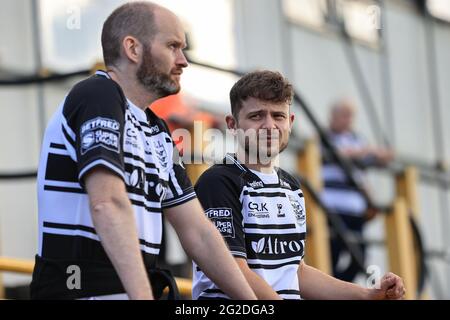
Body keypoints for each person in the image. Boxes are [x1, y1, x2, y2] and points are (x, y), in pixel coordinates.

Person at [30, 1, 256, 300]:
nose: (183, 60)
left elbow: (199, 233)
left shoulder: (156, 130)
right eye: (173, 46)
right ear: (133, 49)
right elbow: (107, 202)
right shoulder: (98, 94)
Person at [192, 70, 405, 300]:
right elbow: (233, 270)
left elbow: (296, 272)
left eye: (278, 116)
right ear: (232, 124)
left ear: (290, 123)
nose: (269, 125)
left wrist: (368, 295)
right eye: (256, 116)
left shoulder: (290, 186)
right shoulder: (218, 182)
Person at [321, 98, 394, 282]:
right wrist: (366, 151)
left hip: (355, 210)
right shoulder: (324, 137)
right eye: (344, 115)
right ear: (333, 116)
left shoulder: (356, 139)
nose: (348, 120)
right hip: (333, 208)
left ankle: (340, 287)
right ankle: (331, 287)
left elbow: (385, 157)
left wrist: (374, 152)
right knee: (333, 252)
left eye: (350, 116)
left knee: (359, 256)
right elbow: (340, 154)